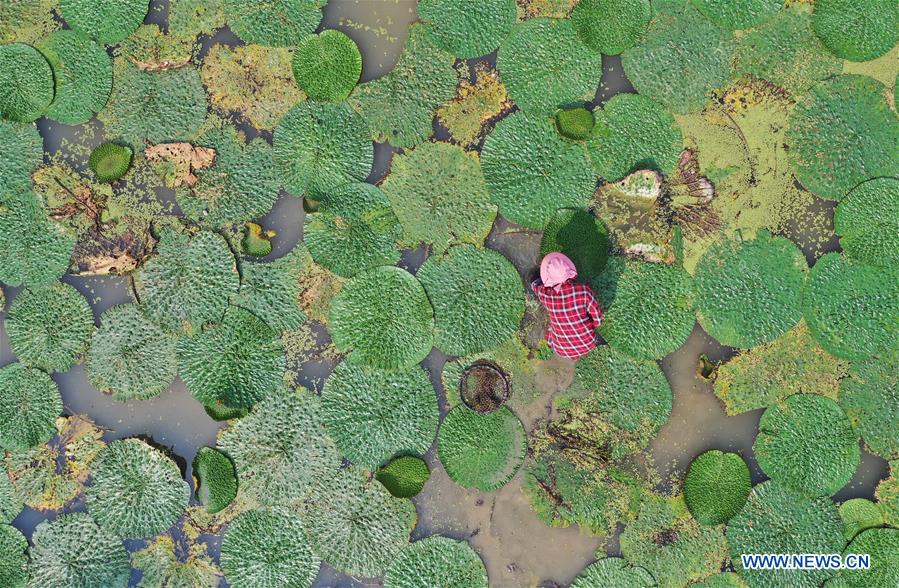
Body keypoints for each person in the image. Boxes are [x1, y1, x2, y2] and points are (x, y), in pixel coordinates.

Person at [531, 252, 603, 360]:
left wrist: (536, 280)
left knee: (553, 326)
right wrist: (592, 323)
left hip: (562, 350)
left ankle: (555, 344)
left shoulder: (546, 295)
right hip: (588, 343)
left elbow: (535, 285)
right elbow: (598, 318)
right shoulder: (584, 291)